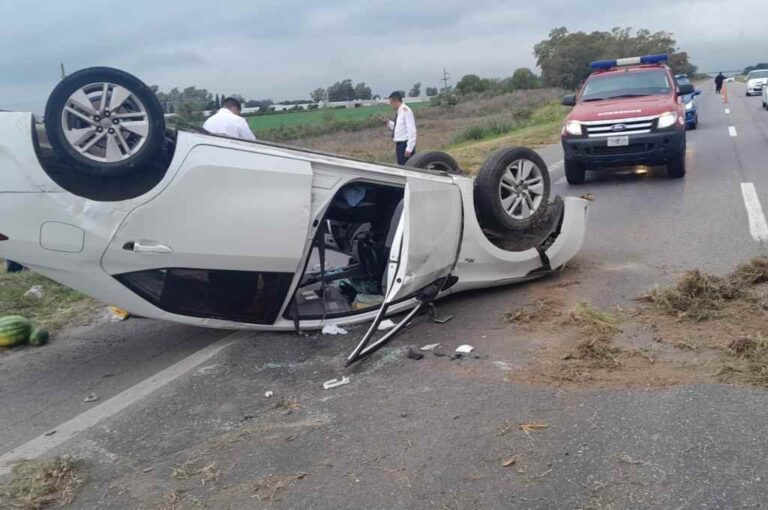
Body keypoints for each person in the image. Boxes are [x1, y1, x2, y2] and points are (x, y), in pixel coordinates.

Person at [379, 91, 417, 165]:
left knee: (407, 167)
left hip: (404, 144)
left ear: (396, 101)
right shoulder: (399, 111)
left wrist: (409, 148)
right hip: (399, 145)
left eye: (391, 103)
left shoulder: (406, 111)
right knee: (401, 166)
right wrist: (388, 123)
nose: (391, 105)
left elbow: (412, 130)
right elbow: (399, 128)